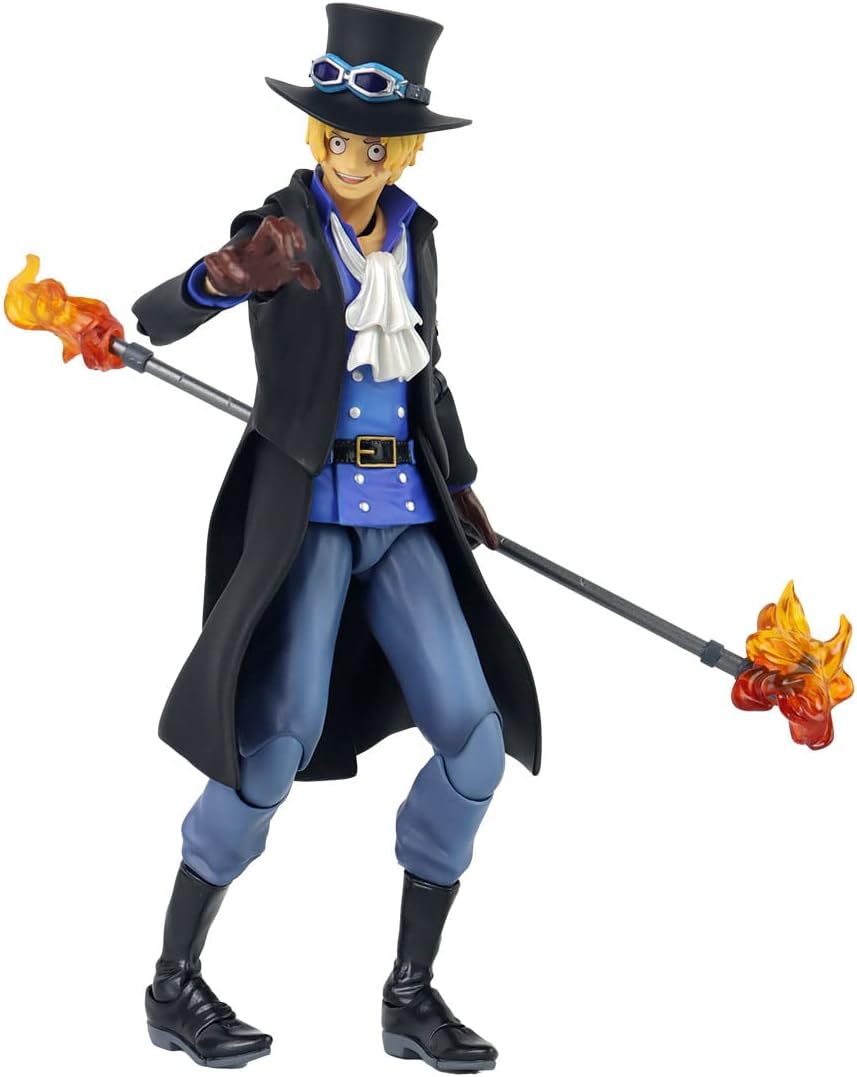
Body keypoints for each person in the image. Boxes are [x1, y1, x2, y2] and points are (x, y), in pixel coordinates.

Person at [133, 5, 541, 1071]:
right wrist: (223, 278)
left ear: (403, 149)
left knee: (475, 743)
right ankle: (174, 983)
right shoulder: (277, 231)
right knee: (270, 744)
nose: (351, 156)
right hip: (307, 515)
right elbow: (156, 315)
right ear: (316, 132)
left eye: (374, 142)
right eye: (337, 135)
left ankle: (410, 993)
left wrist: (459, 478)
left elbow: (426, 369)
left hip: (406, 516)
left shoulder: (414, 236)